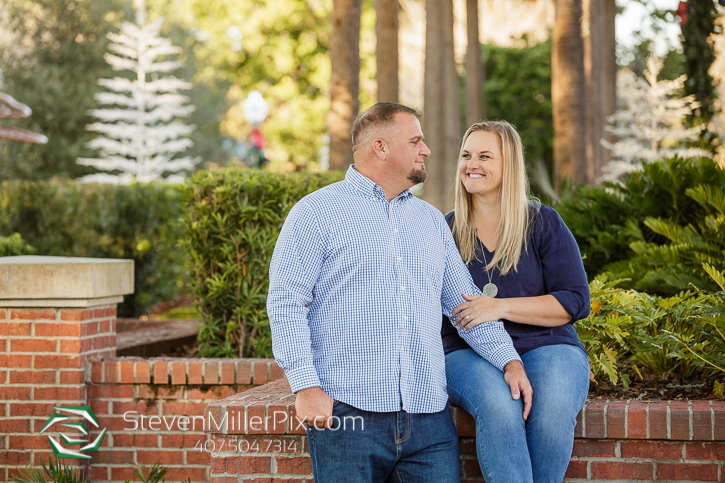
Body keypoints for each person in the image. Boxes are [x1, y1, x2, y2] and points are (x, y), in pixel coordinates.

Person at [267, 103, 532, 483]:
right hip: (348, 415)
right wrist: (305, 386)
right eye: (416, 141)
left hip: (428, 421)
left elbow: (465, 304)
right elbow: (286, 304)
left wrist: (509, 361)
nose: (426, 150)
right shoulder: (316, 213)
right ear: (381, 147)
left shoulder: (429, 221)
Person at [442, 120, 591, 483]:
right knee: (498, 402)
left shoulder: (542, 223)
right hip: (467, 351)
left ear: (509, 164)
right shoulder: (444, 230)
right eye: (466, 155)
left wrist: (501, 307)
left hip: (548, 346)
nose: (471, 164)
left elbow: (574, 301)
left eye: (484, 156)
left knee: (553, 406)